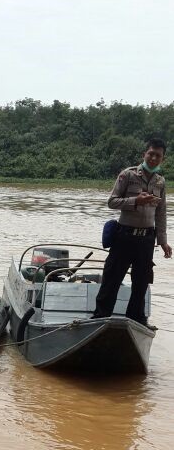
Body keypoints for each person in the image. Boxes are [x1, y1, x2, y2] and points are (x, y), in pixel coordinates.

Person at [93, 138, 172, 325]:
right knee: (112, 278)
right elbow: (112, 202)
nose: (153, 158)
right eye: (150, 153)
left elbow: (161, 212)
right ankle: (100, 317)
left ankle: (136, 318)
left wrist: (163, 241)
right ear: (144, 154)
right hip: (124, 236)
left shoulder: (160, 181)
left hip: (146, 240)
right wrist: (136, 201)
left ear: (163, 159)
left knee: (141, 282)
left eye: (158, 155)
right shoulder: (128, 175)